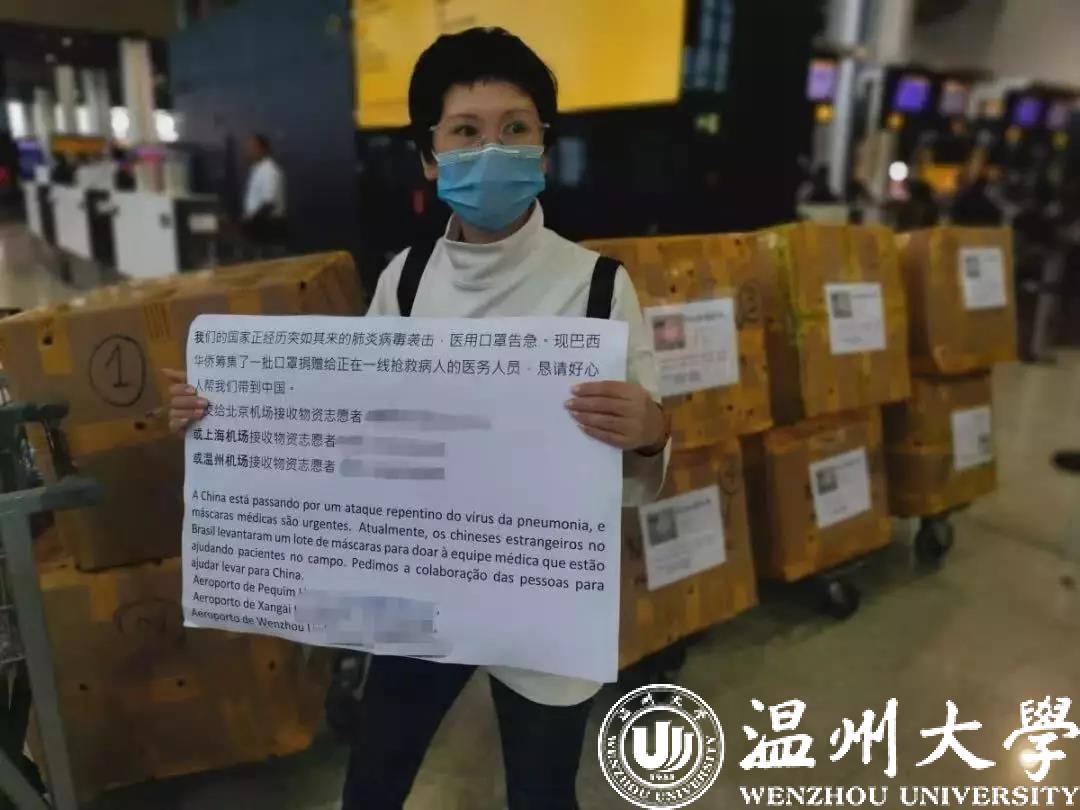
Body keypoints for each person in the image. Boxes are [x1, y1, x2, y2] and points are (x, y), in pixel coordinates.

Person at [164, 27, 670, 809]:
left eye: (515, 128)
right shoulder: (405, 281)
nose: (491, 150)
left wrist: (650, 431)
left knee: (541, 791)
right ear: (430, 157)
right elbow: (352, 424)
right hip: (424, 580)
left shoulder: (600, 287)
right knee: (373, 781)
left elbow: (644, 456)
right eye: (465, 131)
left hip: (545, 594)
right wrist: (227, 416)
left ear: (544, 147)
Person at [241, 132, 287, 255]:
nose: (249, 151)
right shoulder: (256, 170)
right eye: (248, 148)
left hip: (268, 227)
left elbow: (269, 202)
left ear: (263, 149)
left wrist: (251, 221)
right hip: (258, 226)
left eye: (252, 147)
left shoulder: (269, 171)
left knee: (270, 260)